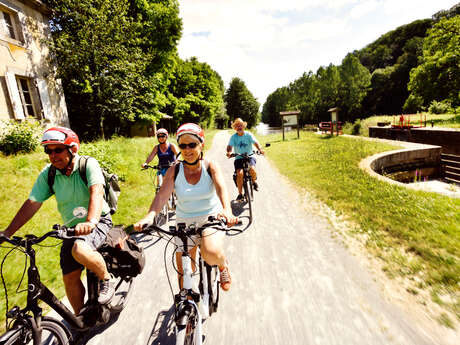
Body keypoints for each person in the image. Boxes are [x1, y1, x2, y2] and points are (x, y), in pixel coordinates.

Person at [0, 127, 114, 315]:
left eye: (57, 150)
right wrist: (7, 232)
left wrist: (91, 221)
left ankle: (106, 279)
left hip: (98, 220)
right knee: (69, 278)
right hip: (70, 229)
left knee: (80, 249)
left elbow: (97, 192)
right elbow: (33, 203)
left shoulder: (88, 164)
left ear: (73, 149)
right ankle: (80, 322)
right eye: (48, 151)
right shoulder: (49, 173)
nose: (52, 155)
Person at [134, 123, 237, 291]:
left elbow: (221, 188)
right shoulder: (174, 170)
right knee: (185, 270)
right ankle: (187, 304)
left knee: (210, 253)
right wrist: (150, 215)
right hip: (184, 222)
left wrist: (227, 210)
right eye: (183, 145)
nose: (187, 150)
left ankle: (223, 264)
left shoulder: (210, 166)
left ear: (201, 144)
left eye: (192, 145)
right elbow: (162, 195)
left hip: (210, 217)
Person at [226, 118, 264, 201]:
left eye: (240, 125)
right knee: (239, 174)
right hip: (239, 157)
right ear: (235, 128)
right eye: (237, 126)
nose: (239, 127)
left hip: (249, 156)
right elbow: (229, 146)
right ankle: (240, 194)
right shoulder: (233, 137)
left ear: (243, 126)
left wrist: (260, 149)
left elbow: (255, 142)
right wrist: (229, 152)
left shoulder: (248, 135)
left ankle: (254, 182)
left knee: (252, 169)